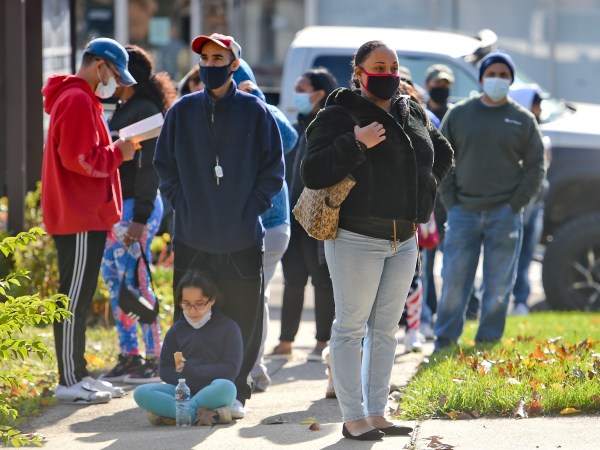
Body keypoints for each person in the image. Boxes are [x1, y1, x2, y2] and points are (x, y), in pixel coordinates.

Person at [301, 40, 453, 440]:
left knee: (386, 329)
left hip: (403, 239)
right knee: (350, 328)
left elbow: (442, 154)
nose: (386, 74)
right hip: (356, 236)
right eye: (378, 66)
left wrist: (422, 194)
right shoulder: (338, 112)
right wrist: (355, 143)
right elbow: (312, 171)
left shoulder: (410, 110)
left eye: (393, 66)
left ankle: (378, 412)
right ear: (359, 72)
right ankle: (353, 418)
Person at [153, 33, 284, 419]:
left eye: (218, 57)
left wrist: (251, 209)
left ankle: (235, 390)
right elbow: (165, 167)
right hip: (194, 235)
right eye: (205, 58)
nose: (210, 65)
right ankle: (188, 388)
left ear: (233, 63)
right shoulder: (182, 110)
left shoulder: (256, 111)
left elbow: (273, 170)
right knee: (189, 315)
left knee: (244, 314)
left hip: (242, 235)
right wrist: (183, 206)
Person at [41, 37, 138, 403]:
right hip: (79, 215)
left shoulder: (79, 98)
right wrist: (119, 152)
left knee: (78, 297)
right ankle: (68, 379)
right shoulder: (79, 99)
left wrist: (112, 149)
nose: (114, 81)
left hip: (83, 214)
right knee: (73, 299)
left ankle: (78, 373)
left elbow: (80, 154)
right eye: (114, 73)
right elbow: (78, 159)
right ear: (100, 65)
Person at [434, 51, 545, 351]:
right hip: (462, 213)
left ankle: (487, 341)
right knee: (455, 283)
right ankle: (444, 341)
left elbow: (536, 165)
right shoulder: (459, 114)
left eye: (503, 75)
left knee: (498, 287)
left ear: (510, 80)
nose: (497, 79)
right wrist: (451, 202)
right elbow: (442, 157)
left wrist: (516, 204)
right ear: (481, 77)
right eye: (491, 73)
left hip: (504, 214)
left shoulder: (523, 119)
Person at [100, 45, 177, 384]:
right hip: (119, 208)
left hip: (136, 208)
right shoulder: (124, 106)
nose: (109, 78)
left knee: (137, 282)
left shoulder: (144, 111)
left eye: (114, 69)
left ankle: (154, 358)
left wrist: (140, 219)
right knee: (118, 283)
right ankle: (130, 355)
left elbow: (148, 171)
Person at [231, 59, 299, 392]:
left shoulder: (262, 110)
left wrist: (256, 98)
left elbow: (288, 140)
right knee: (256, 296)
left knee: (253, 297)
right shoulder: (218, 113)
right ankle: (251, 369)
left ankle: (251, 369)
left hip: (270, 223)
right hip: (235, 222)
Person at [270, 67, 338, 362]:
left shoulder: (330, 127)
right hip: (290, 216)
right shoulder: (294, 127)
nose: (296, 95)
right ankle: (286, 341)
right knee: (292, 280)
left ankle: (322, 340)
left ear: (319, 94)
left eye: (301, 89)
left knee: (322, 280)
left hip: (317, 215)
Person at [133, 271, 242, 426]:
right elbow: (165, 370)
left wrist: (194, 371)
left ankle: (175, 414)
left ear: (211, 300)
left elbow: (231, 369)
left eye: (199, 303)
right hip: (182, 391)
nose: (192, 310)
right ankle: (208, 415)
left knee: (227, 387)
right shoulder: (176, 331)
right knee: (142, 393)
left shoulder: (229, 328)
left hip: (212, 390)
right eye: (186, 304)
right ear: (179, 302)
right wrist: (184, 381)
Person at [508, 86, 551, 316]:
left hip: (535, 205)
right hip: (515, 204)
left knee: (525, 255)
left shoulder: (539, 135)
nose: (539, 110)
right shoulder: (514, 134)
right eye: (536, 104)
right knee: (507, 255)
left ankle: (521, 301)